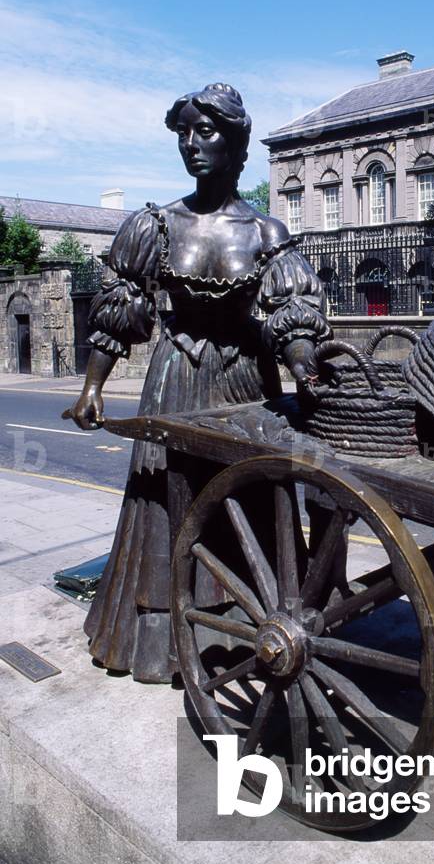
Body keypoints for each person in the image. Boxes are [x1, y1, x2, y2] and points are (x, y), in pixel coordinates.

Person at [64, 83, 331, 682]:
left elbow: (290, 315)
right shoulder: (155, 225)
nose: (191, 144)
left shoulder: (266, 233)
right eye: (183, 133)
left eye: (206, 132)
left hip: (244, 385)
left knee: (248, 500)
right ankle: (161, 639)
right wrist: (93, 385)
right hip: (175, 381)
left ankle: (249, 627)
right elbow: (119, 309)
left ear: (236, 144)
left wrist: (302, 363)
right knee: (167, 504)